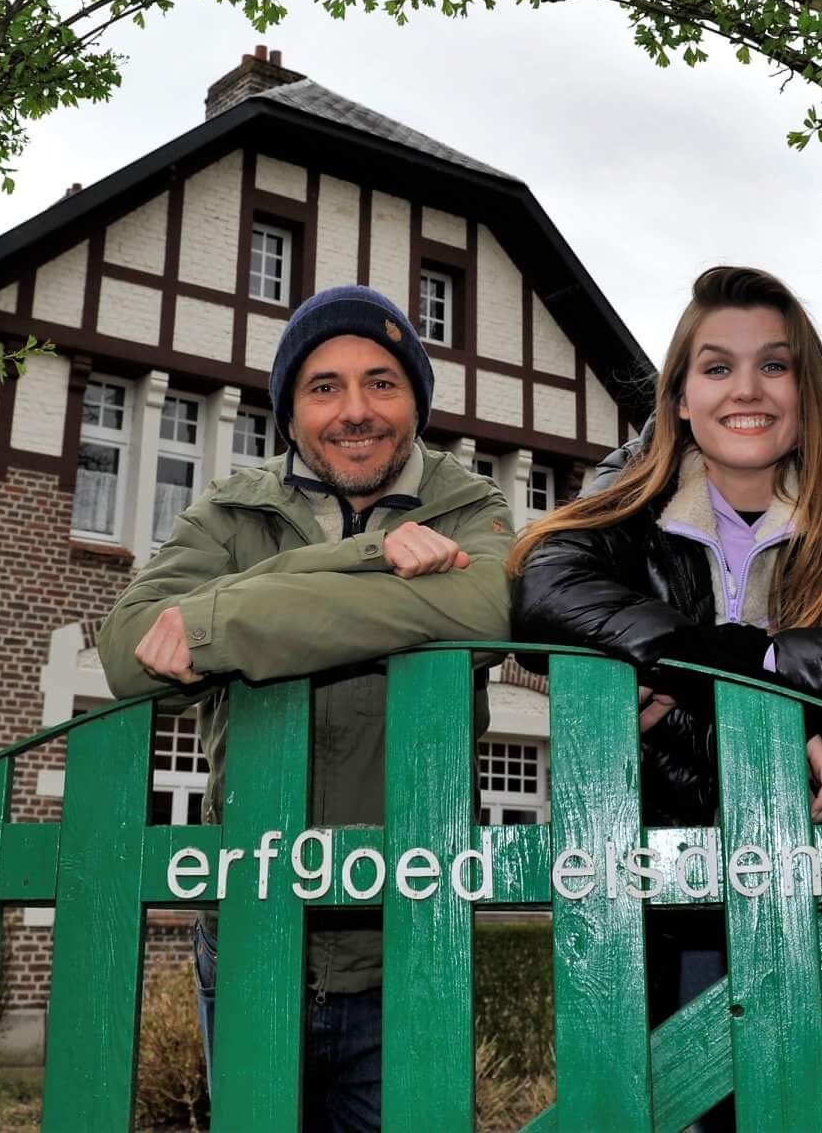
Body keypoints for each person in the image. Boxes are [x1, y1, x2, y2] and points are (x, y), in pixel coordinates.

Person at [508, 265, 822, 1131]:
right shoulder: (630, 494)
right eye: (717, 367)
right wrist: (752, 723)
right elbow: (545, 592)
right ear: (680, 396)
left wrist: (744, 661)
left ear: (808, 389)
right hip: (671, 898)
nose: (746, 390)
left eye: (775, 365)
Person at [98, 285, 515, 1133]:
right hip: (251, 936)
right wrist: (371, 558)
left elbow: (487, 610)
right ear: (288, 411)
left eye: (382, 382)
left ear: (416, 402)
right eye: (324, 386)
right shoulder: (230, 509)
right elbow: (127, 651)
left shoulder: (468, 507)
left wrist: (223, 618)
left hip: (408, 941)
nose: (354, 410)